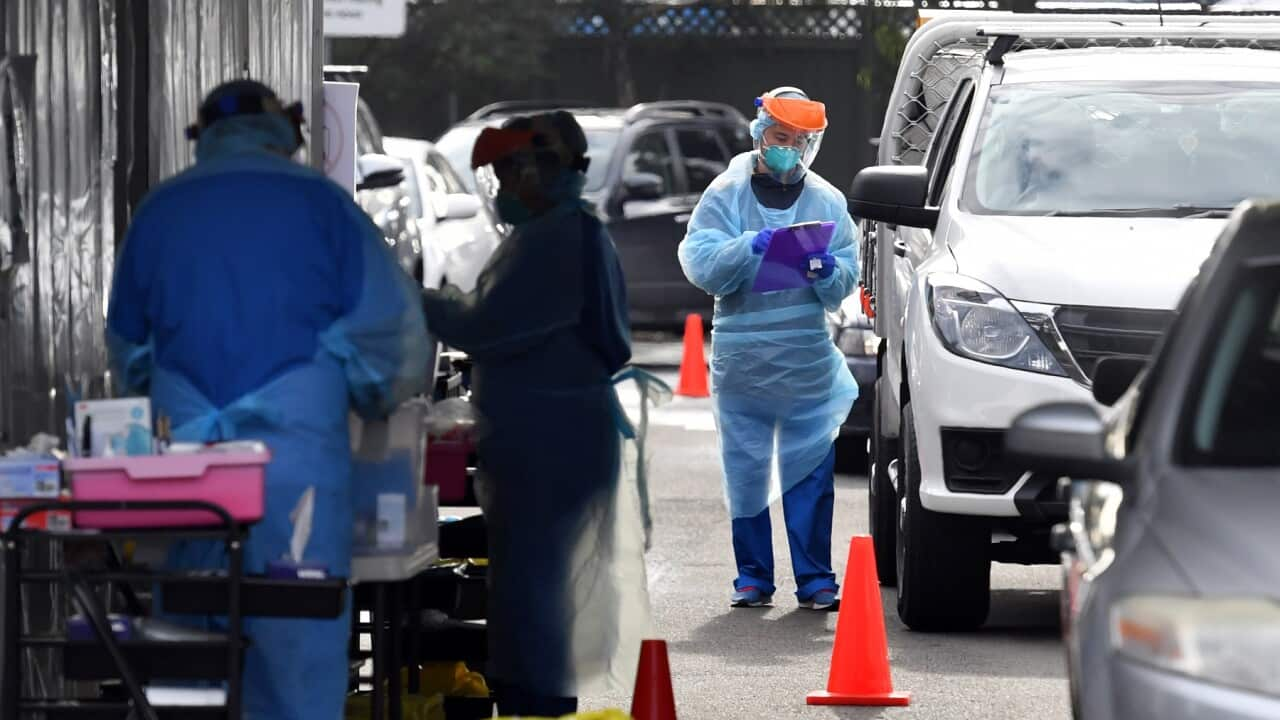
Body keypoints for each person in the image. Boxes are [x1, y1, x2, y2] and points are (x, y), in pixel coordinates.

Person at [106, 79, 431, 720]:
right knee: (295, 639)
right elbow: (390, 339)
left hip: (187, 464)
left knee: (191, 643)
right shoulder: (323, 206)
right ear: (285, 131)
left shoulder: (162, 210)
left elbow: (129, 350)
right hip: (296, 460)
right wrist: (366, 393)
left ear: (204, 136)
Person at [421, 111, 649, 716]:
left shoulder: (558, 239)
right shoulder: (559, 231)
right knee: (531, 585)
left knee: (536, 588)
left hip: (552, 440)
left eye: (505, 173)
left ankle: (539, 703)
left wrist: (415, 299)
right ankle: (532, 695)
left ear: (536, 171)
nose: (500, 188)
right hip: (550, 436)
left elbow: (486, 325)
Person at [679, 87, 860, 610]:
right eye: (782, 137)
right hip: (743, 359)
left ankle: (816, 580)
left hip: (804, 358)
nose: (790, 149)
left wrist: (831, 270)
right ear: (760, 133)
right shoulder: (726, 194)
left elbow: (845, 272)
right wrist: (747, 246)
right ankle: (753, 578)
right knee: (746, 471)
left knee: (809, 472)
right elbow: (699, 263)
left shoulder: (825, 199)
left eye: (801, 141)